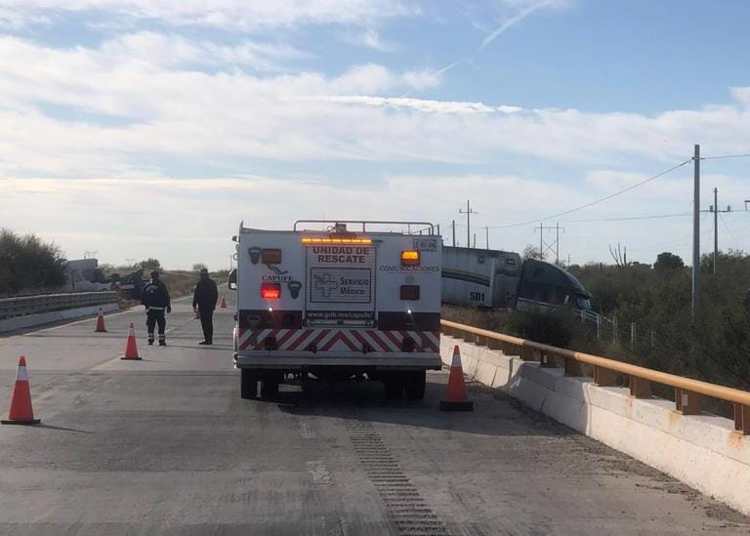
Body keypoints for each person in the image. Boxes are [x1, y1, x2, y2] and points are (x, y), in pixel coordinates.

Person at [141, 270, 171, 346]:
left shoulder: (147, 285)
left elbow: (143, 297)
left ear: (151, 276)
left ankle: (150, 340)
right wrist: (168, 306)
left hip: (150, 309)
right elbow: (166, 296)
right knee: (161, 325)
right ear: (158, 276)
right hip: (160, 309)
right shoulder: (161, 285)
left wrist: (146, 306)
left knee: (150, 325)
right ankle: (161, 340)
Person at [193, 268, 218, 345]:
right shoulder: (200, 283)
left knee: (208, 323)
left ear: (207, 275)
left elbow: (215, 295)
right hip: (202, 306)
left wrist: (213, 304)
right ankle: (207, 339)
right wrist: (194, 304)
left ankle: (209, 339)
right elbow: (196, 294)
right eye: (202, 275)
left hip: (208, 306)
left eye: (204, 274)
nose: (203, 276)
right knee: (204, 323)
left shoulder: (211, 283)